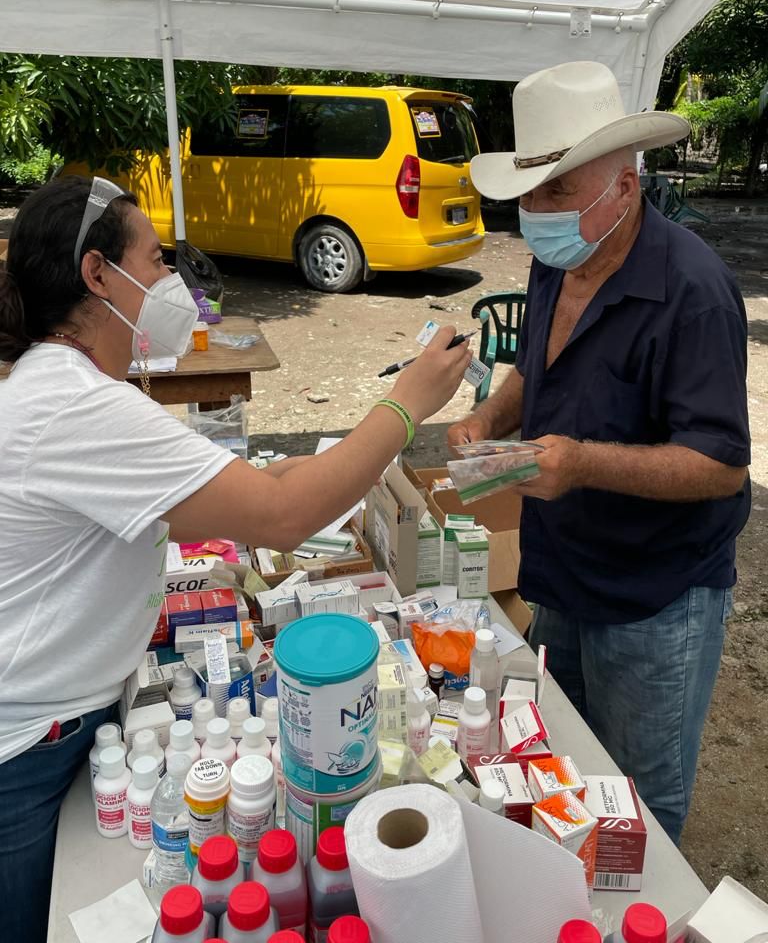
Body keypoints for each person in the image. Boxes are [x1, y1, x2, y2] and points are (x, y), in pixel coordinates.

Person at [0, 175, 471, 942]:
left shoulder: (74, 390)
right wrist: (405, 406)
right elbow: (285, 517)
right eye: (154, 260)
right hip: (27, 746)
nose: (171, 280)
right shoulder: (76, 406)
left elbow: (253, 487)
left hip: (62, 716)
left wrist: (353, 439)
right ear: (97, 274)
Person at [448, 61, 750, 845]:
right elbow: (533, 370)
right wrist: (487, 419)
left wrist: (582, 463)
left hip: (656, 594)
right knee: (558, 767)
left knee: (640, 811)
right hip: (566, 571)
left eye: (556, 192)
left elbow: (720, 464)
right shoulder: (561, 259)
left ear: (624, 185)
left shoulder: (694, 292)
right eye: (530, 192)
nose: (535, 215)